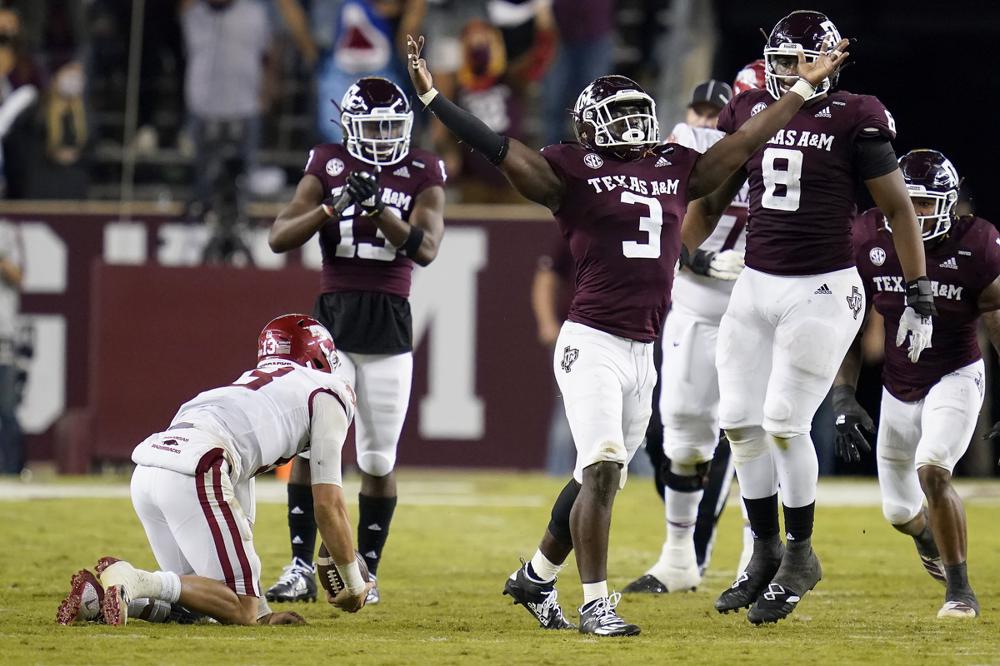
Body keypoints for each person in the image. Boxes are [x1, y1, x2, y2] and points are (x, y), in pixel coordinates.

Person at [405, 30, 850, 635]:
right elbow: (498, 148)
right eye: (618, 116)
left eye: (639, 112)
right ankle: (595, 604)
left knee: (591, 475)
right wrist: (435, 101)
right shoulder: (570, 170)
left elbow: (746, 141)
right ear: (590, 128)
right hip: (591, 341)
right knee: (605, 468)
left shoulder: (673, 164)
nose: (633, 124)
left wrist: (799, 87)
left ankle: (535, 576)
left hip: (644, 349)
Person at [681, 11, 934, 625]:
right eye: (780, 60)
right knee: (738, 420)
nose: (786, 72)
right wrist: (683, 249)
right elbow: (712, 194)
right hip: (755, 280)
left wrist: (918, 289)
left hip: (821, 287)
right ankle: (765, 549)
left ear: (827, 60)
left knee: (785, 423)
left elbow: (899, 209)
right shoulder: (747, 111)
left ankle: (800, 553)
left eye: (799, 61)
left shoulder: (856, 115)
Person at [58, 315, 371, 626]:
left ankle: (96, 599)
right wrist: (354, 585)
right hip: (199, 465)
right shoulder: (329, 391)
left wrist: (263, 615)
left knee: (207, 604)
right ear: (321, 358)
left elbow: (239, 524)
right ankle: (137, 579)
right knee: (240, 606)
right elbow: (329, 505)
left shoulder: (241, 390)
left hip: (148, 470)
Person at [266, 76, 446, 606]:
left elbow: (427, 247)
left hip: (389, 323)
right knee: (313, 448)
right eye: (374, 126)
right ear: (348, 127)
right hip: (334, 321)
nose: (385, 135)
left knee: (376, 459)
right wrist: (332, 205)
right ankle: (300, 565)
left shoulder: (423, 169)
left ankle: (366, 570)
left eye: (393, 125)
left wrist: (378, 213)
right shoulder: (327, 162)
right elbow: (279, 236)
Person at [834, 149, 999, 620]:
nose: (916, 212)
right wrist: (844, 393)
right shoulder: (866, 237)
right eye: (911, 201)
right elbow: (847, 321)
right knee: (899, 512)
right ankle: (930, 536)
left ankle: (960, 591)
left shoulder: (977, 244)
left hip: (955, 374)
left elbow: (997, 321)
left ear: (949, 205)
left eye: (927, 204)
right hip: (897, 384)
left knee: (933, 469)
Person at [626, 66, 760, 595]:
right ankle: (679, 559)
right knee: (680, 430)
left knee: (757, 429)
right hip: (696, 300)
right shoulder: (693, 141)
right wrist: (693, 258)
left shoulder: (805, 146)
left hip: (759, 302)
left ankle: (757, 559)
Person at [0, 217, 23, 475]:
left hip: (2, 335)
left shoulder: (6, 231)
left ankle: (12, 471)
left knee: (6, 408)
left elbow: (18, 276)